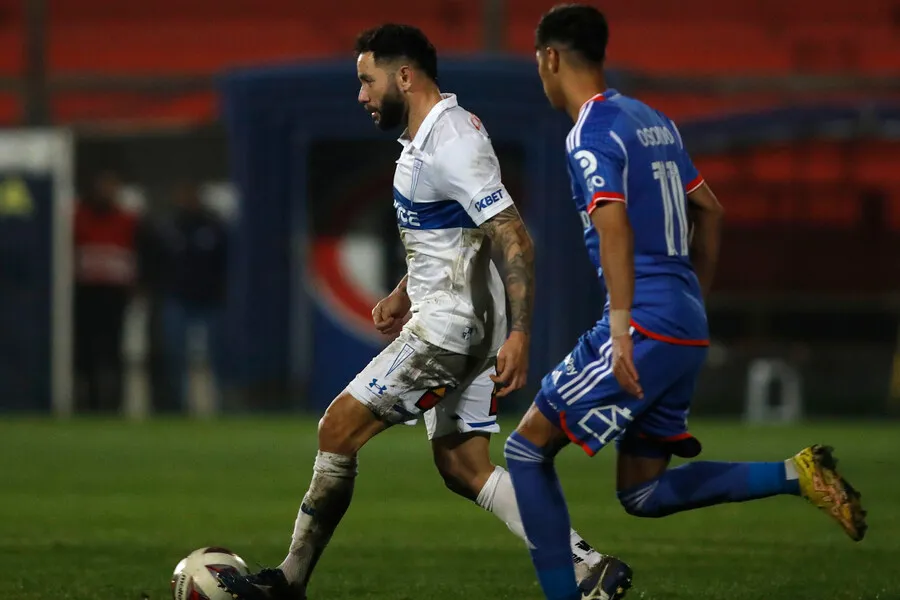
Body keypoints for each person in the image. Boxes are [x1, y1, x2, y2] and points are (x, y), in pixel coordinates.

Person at [218, 23, 631, 600]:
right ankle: (588, 566)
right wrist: (403, 289)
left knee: (336, 429)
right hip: (457, 321)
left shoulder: (453, 141)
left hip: (452, 330)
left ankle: (289, 581)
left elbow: (512, 235)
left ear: (404, 76)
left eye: (367, 81)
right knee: (464, 467)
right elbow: (454, 233)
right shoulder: (428, 138)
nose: (361, 95)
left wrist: (521, 335)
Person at [502, 6, 868, 600]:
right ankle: (794, 475)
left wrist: (621, 331)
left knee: (526, 450)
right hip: (682, 322)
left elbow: (613, 225)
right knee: (641, 492)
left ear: (550, 58)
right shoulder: (654, 120)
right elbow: (711, 209)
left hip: (643, 326)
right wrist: (692, 298)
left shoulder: (589, 133)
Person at [73, 171, 137, 413]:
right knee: (86, 351)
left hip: (114, 294)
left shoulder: (128, 219)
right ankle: (87, 403)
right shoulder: (79, 217)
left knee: (113, 350)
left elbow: (140, 254)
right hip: (86, 293)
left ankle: (114, 405)